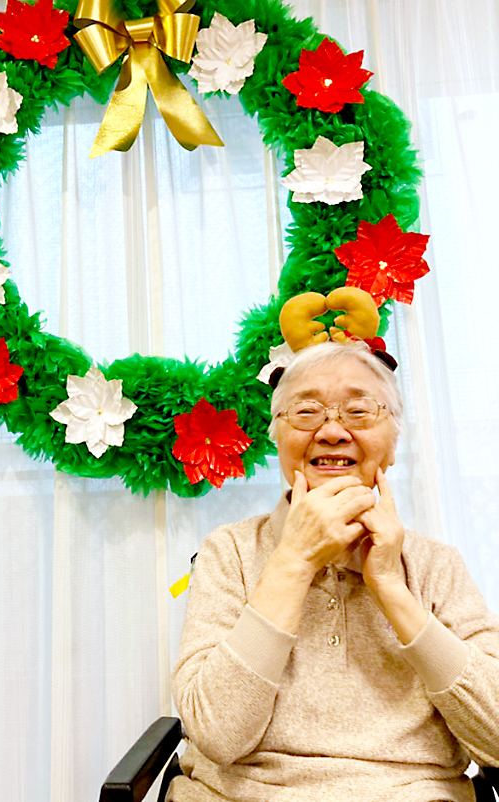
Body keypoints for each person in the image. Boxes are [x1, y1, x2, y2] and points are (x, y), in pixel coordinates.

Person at [170, 341, 499, 802]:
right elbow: (218, 735)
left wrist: (392, 587)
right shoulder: (230, 552)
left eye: (359, 411)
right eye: (306, 412)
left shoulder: (436, 564)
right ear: (277, 438)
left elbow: (495, 736)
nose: (331, 431)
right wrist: (294, 560)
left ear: (393, 442)